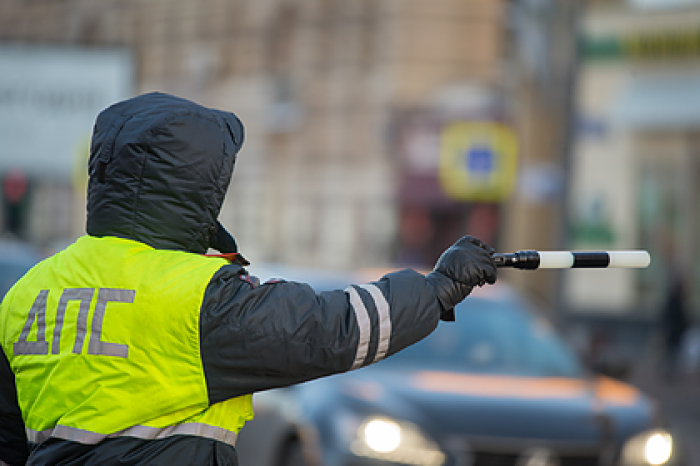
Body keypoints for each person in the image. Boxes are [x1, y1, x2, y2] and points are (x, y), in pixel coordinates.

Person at [0, 92, 497, 466]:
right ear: (197, 188)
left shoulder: (29, 291)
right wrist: (436, 290)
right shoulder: (197, 296)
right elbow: (330, 330)